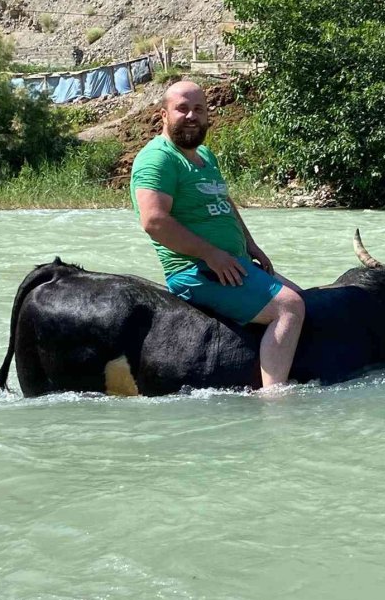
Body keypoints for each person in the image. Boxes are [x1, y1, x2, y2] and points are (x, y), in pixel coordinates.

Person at [130, 81, 305, 390]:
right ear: (163, 114)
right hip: (195, 271)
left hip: (232, 261)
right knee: (289, 307)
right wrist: (211, 254)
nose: (191, 116)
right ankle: (275, 398)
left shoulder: (205, 156)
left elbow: (224, 203)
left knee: (303, 297)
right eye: (181, 109)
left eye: (198, 109)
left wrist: (250, 245)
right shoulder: (158, 158)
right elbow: (154, 221)